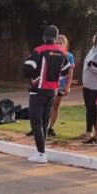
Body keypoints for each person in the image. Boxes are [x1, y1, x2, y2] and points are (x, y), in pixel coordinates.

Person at [23, 24, 71, 164]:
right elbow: (66, 70)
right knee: (44, 121)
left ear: (44, 36)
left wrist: (35, 76)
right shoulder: (62, 52)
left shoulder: (39, 50)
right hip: (52, 91)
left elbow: (27, 69)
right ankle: (40, 150)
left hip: (38, 90)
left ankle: (41, 153)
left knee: (36, 122)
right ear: (56, 37)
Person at [48, 34, 75, 137]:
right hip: (50, 84)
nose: (59, 45)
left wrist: (68, 86)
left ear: (65, 45)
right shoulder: (50, 54)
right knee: (46, 105)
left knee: (55, 105)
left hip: (60, 84)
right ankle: (40, 126)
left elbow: (70, 71)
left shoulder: (69, 56)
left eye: (61, 43)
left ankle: (50, 127)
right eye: (57, 43)